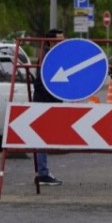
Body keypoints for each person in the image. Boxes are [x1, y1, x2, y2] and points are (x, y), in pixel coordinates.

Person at [31, 28, 65, 186]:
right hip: (44, 100)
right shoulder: (47, 56)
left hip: (46, 100)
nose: (63, 43)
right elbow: (47, 82)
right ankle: (43, 173)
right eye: (60, 40)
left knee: (42, 136)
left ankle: (43, 172)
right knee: (41, 136)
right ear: (51, 41)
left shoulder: (49, 54)